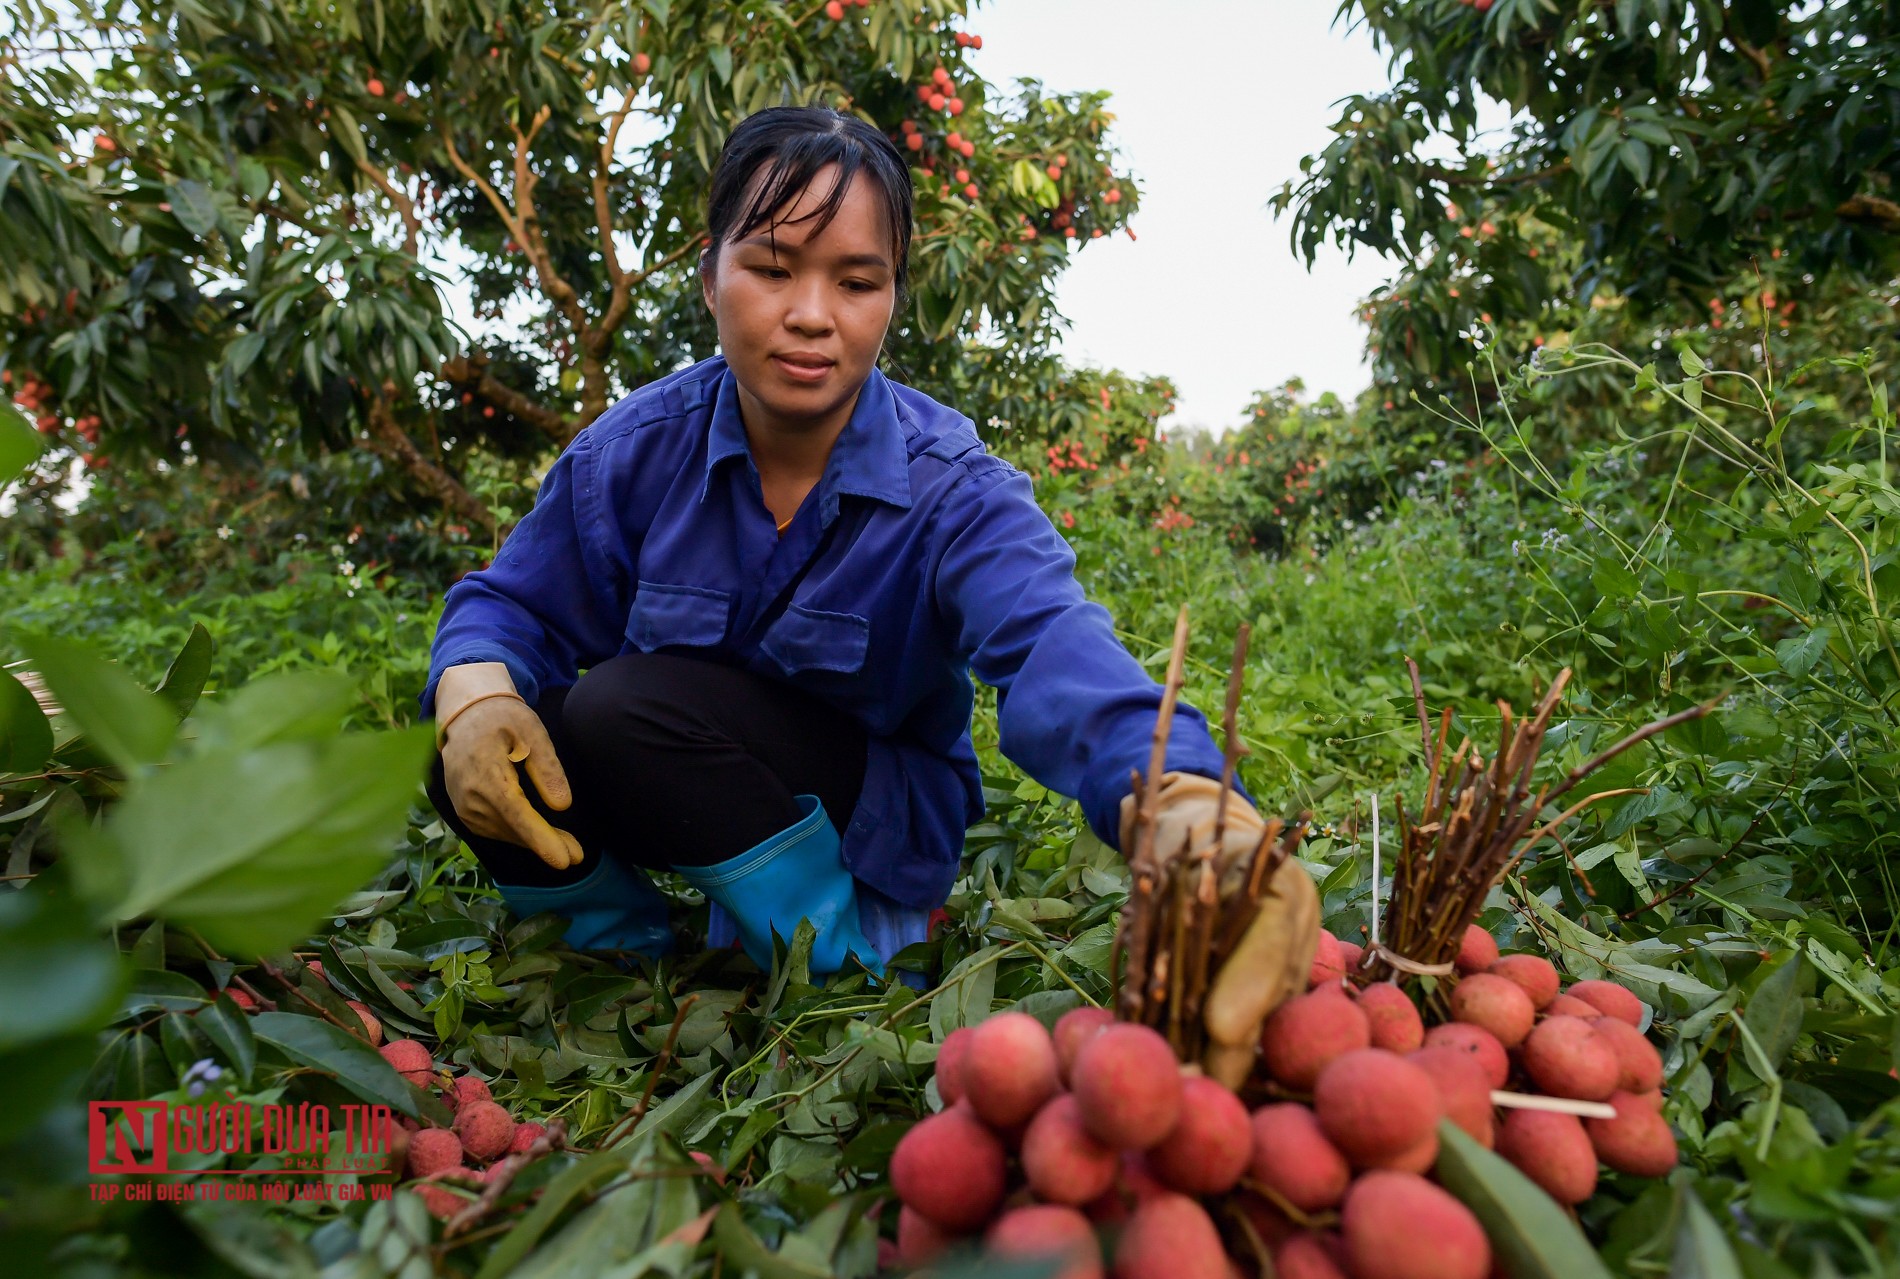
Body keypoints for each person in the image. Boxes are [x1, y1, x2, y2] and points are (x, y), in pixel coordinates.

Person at [421, 105, 1268, 978]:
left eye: (858, 283)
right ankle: (609, 955)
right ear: (712, 276)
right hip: (684, 768)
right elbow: (512, 602)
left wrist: (1180, 797)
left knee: (627, 704)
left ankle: (838, 962)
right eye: (773, 269)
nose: (813, 315)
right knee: (467, 737)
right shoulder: (633, 455)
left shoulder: (951, 488)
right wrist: (477, 689)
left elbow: (1052, 641)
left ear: (892, 296)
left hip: (871, 815)